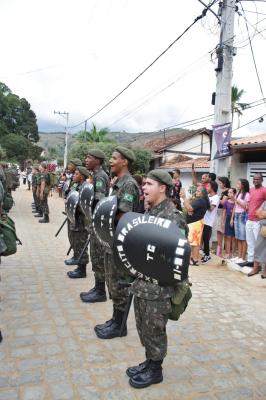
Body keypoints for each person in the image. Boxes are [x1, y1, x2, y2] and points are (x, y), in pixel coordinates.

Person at [126, 169, 188, 389]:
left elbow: (178, 255)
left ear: (162, 188)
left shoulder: (173, 217)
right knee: (143, 325)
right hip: (142, 283)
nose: (143, 187)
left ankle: (156, 369)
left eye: (149, 184)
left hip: (159, 288)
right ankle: (149, 360)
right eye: (144, 184)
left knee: (154, 328)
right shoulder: (150, 212)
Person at [94, 146, 139, 340]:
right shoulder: (118, 182)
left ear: (125, 162)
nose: (110, 161)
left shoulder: (128, 184)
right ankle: (115, 319)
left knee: (120, 284)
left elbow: (124, 215)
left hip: (120, 243)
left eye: (114, 158)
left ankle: (120, 326)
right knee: (112, 282)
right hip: (111, 239)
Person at [79, 149, 110, 302]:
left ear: (97, 161)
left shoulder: (100, 177)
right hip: (94, 223)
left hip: (98, 224)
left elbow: (99, 202)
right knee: (95, 256)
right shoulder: (96, 175)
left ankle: (101, 291)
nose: (86, 159)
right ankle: (98, 287)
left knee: (98, 257)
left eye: (89, 157)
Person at [66, 166, 91, 279]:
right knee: (75, 242)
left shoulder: (85, 187)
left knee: (81, 244)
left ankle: (82, 270)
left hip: (81, 221)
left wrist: (77, 208)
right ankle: (78, 265)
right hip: (74, 219)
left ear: (82, 176)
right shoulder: (77, 185)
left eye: (76, 174)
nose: (73, 176)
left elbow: (85, 206)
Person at [238, 173, 266, 268]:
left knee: (258, 244)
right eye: (254, 179)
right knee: (250, 242)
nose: (255, 181)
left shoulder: (264, 190)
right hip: (249, 219)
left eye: (257, 179)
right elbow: (250, 203)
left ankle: (258, 264)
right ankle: (250, 261)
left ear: (262, 180)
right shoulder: (251, 190)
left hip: (258, 221)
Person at [181, 185, 209, 266]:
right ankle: (193, 259)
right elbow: (189, 209)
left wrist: (184, 198)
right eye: (197, 190)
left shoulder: (201, 201)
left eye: (198, 191)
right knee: (194, 242)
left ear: (203, 193)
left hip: (195, 223)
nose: (196, 192)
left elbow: (189, 208)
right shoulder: (200, 200)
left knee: (194, 242)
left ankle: (194, 259)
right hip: (195, 222)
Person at [64, 159, 83, 266]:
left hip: (79, 217)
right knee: (73, 239)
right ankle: (76, 256)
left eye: (71, 164)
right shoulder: (74, 182)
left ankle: (81, 264)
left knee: (79, 240)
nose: (68, 166)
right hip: (72, 214)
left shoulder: (83, 184)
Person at [231, 179, 250, 264]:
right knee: (238, 237)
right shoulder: (238, 194)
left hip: (242, 215)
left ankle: (243, 257)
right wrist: (232, 217)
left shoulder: (247, 195)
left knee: (243, 237)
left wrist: (237, 200)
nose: (237, 185)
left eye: (239, 183)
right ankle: (239, 256)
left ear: (243, 185)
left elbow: (247, 207)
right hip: (237, 216)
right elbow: (235, 206)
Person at [202, 180, 219, 264]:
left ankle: (207, 255)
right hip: (203, 220)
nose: (206, 188)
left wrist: (205, 198)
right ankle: (204, 253)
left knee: (206, 239)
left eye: (208, 186)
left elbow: (210, 209)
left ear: (212, 188)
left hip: (209, 222)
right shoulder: (208, 196)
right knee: (203, 238)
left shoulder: (216, 197)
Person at [247, 201, 266, 277]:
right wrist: (263, 214)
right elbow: (257, 213)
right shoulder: (265, 202)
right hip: (263, 228)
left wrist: (263, 214)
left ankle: (265, 271)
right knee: (257, 247)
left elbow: (262, 214)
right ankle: (255, 268)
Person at [216, 177, 230, 257]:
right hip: (219, 212)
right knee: (219, 231)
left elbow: (223, 202)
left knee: (222, 230)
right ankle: (219, 249)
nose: (219, 185)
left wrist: (217, 198)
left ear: (224, 183)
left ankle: (222, 251)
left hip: (223, 212)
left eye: (220, 183)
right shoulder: (223, 192)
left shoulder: (227, 191)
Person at [222, 188, 236, 259]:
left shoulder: (237, 202)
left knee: (233, 238)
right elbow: (224, 213)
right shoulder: (226, 202)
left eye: (231, 193)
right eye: (228, 193)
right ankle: (227, 253)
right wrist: (223, 222)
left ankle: (232, 253)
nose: (229, 194)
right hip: (228, 219)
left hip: (235, 219)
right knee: (227, 237)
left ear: (234, 194)